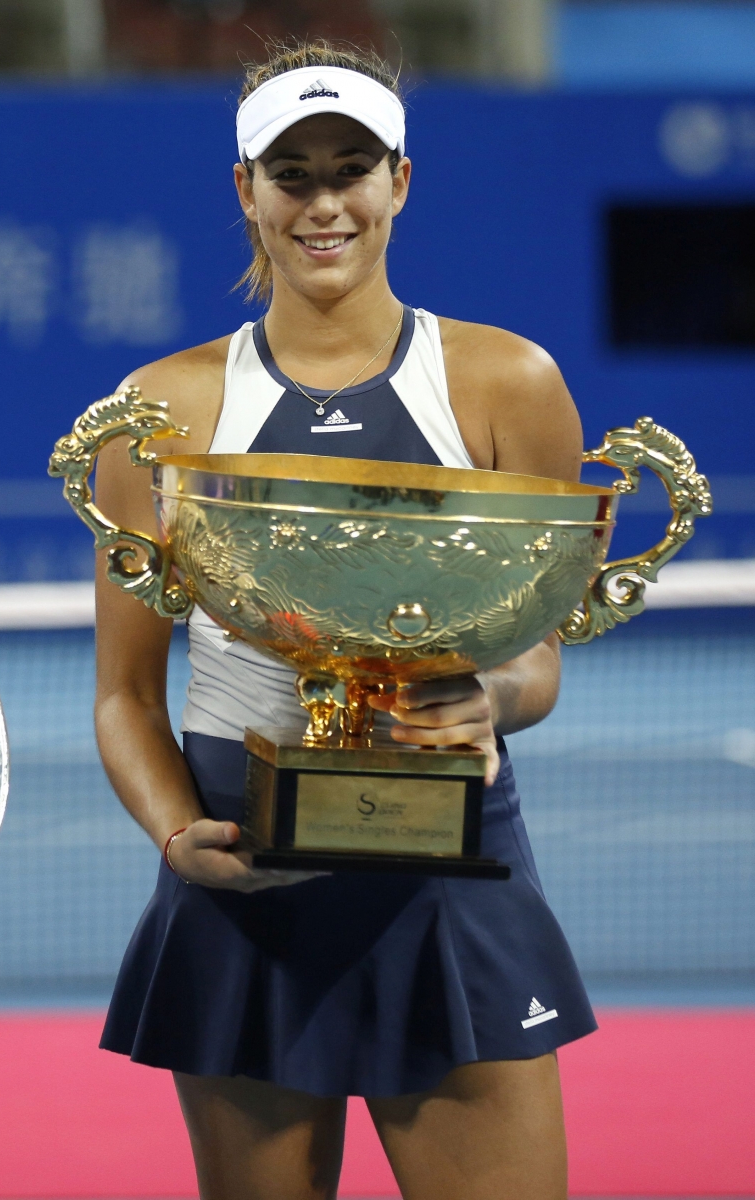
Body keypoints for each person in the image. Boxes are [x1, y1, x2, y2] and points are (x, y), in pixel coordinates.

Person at [94, 41, 595, 1200]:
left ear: (399, 183)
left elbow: (537, 658)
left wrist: (488, 700)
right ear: (245, 193)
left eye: (349, 170)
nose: (323, 203)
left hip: (451, 876)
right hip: (244, 877)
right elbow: (124, 694)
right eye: (292, 174)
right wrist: (180, 837)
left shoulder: (505, 382)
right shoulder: (161, 411)